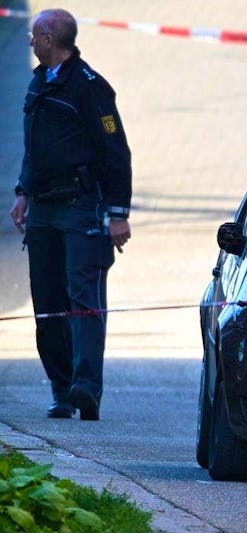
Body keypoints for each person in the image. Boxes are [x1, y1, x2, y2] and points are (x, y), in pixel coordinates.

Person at [7, 8, 132, 421]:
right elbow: (34, 148)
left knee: (84, 301)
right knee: (47, 303)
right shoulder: (39, 83)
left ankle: (86, 389)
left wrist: (118, 213)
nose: (30, 42)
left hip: (82, 210)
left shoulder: (90, 88)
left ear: (49, 39)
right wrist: (23, 191)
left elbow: (116, 152)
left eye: (34, 36)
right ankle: (62, 390)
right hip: (42, 211)